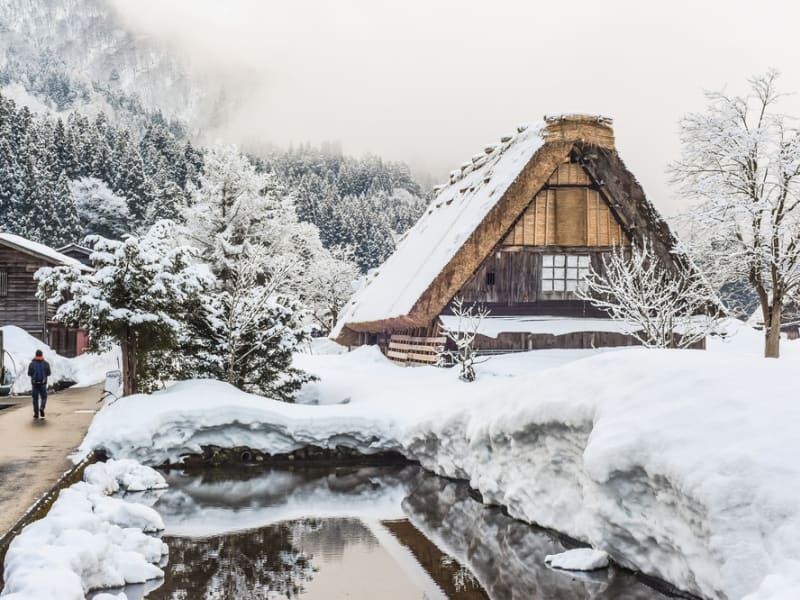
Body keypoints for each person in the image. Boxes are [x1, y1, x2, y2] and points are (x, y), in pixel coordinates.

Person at [28, 350, 51, 419]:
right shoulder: (46, 363)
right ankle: (42, 407)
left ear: (35, 355)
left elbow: (29, 373)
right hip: (43, 383)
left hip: (34, 383)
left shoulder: (32, 364)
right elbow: (49, 373)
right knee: (44, 397)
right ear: (42, 355)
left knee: (35, 399)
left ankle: (36, 414)